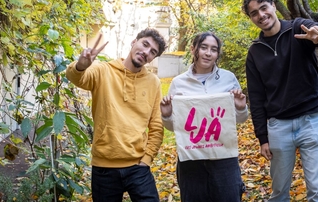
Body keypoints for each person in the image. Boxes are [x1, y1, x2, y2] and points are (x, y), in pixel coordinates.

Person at [242, 0, 318, 202]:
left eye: (264, 8)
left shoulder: (296, 29)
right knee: (279, 192)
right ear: (251, 18)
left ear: (273, 5)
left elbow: (317, 30)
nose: (261, 15)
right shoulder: (255, 52)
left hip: (312, 121)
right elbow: (256, 98)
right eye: (254, 13)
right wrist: (262, 137)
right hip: (278, 127)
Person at [66, 28, 167, 202]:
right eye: (145, 44)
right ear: (134, 41)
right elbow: (77, 78)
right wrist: (81, 65)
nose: (146, 52)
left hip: (138, 166)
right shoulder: (104, 71)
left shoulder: (153, 83)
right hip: (104, 167)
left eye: (152, 52)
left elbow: (157, 125)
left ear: (153, 58)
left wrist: (147, 159)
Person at [160, 31, 248, 202]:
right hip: (191, 157)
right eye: (204, 47)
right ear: (194, 49)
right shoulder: (178, 83)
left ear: (217, 54)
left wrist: (241, 107)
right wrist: (167, 115)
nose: (208, 53)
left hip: (224, 156)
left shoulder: (228, 78)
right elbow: (175, 127)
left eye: (214, 49)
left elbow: (239, 119)